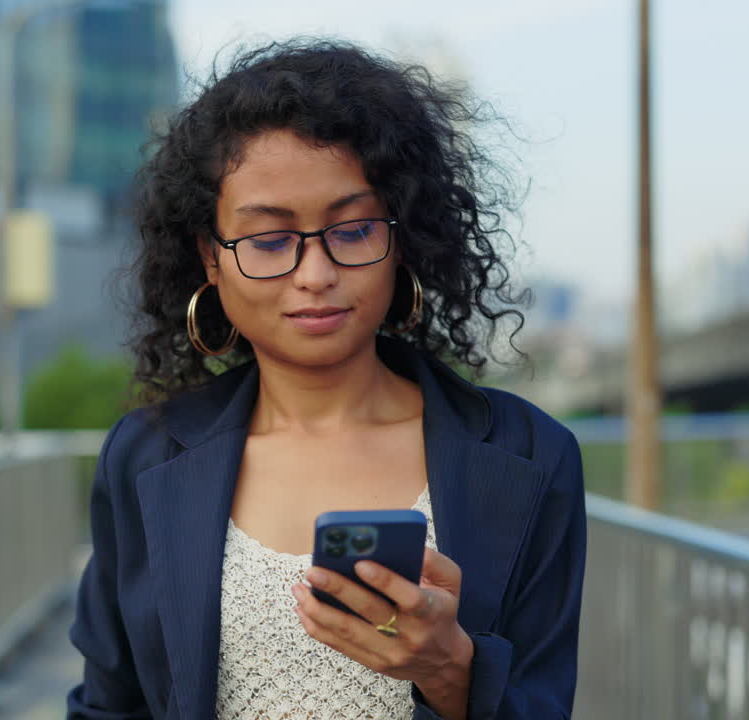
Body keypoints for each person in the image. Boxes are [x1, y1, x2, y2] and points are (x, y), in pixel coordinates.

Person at [68, 40, 585, 720]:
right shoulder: (144, 457)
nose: (315, 274)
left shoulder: (530, 456)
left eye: (354, 229)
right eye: (269, 240)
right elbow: (110, 707)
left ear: (403, 237)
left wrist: (452, 670)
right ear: (211, 259)